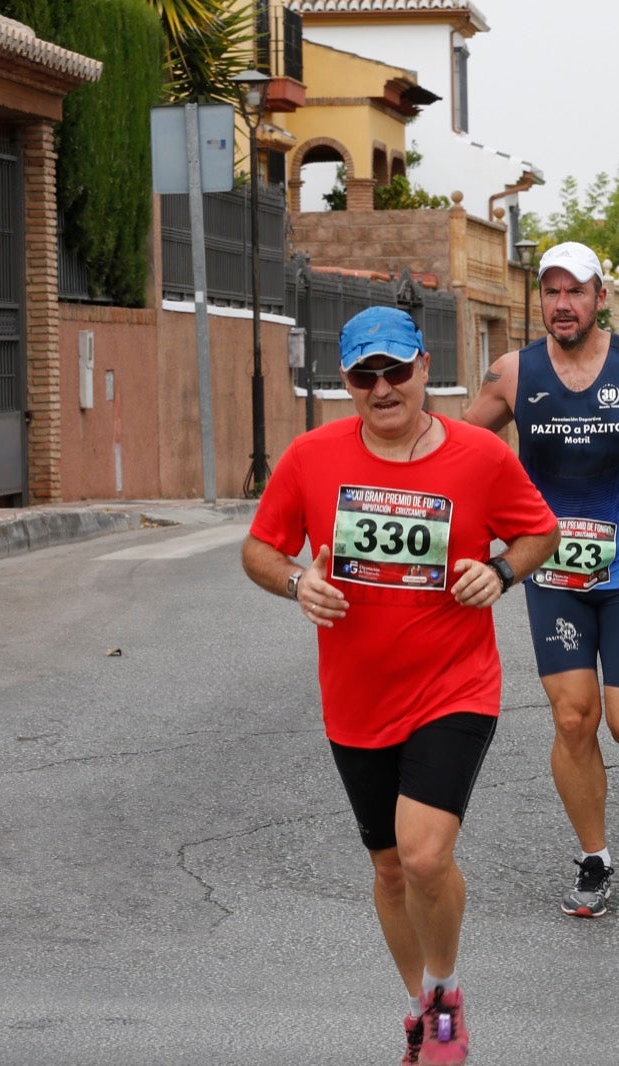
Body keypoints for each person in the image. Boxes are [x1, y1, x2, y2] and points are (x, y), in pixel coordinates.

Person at [242, 306, 560, 1065]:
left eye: (396, 371)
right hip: (355, 695)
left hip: (455, 683)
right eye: (364, 375)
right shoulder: (311, 456)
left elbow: (538, 531)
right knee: (388, 867)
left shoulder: (481, 457)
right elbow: (260, 548)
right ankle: (416, 1002)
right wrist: (295, 581)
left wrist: (503, 569)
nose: (383, 389)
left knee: (423, 855)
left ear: (424, 368)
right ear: (345, 382)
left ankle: (446, 996)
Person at [462, 242, 619, 919]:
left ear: (600, 296)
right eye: (550, 292)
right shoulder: (514, 374)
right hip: (551, 564)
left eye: (574, 291)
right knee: (574, 715)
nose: (562, 304)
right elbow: (464, 448)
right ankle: (594, 858)